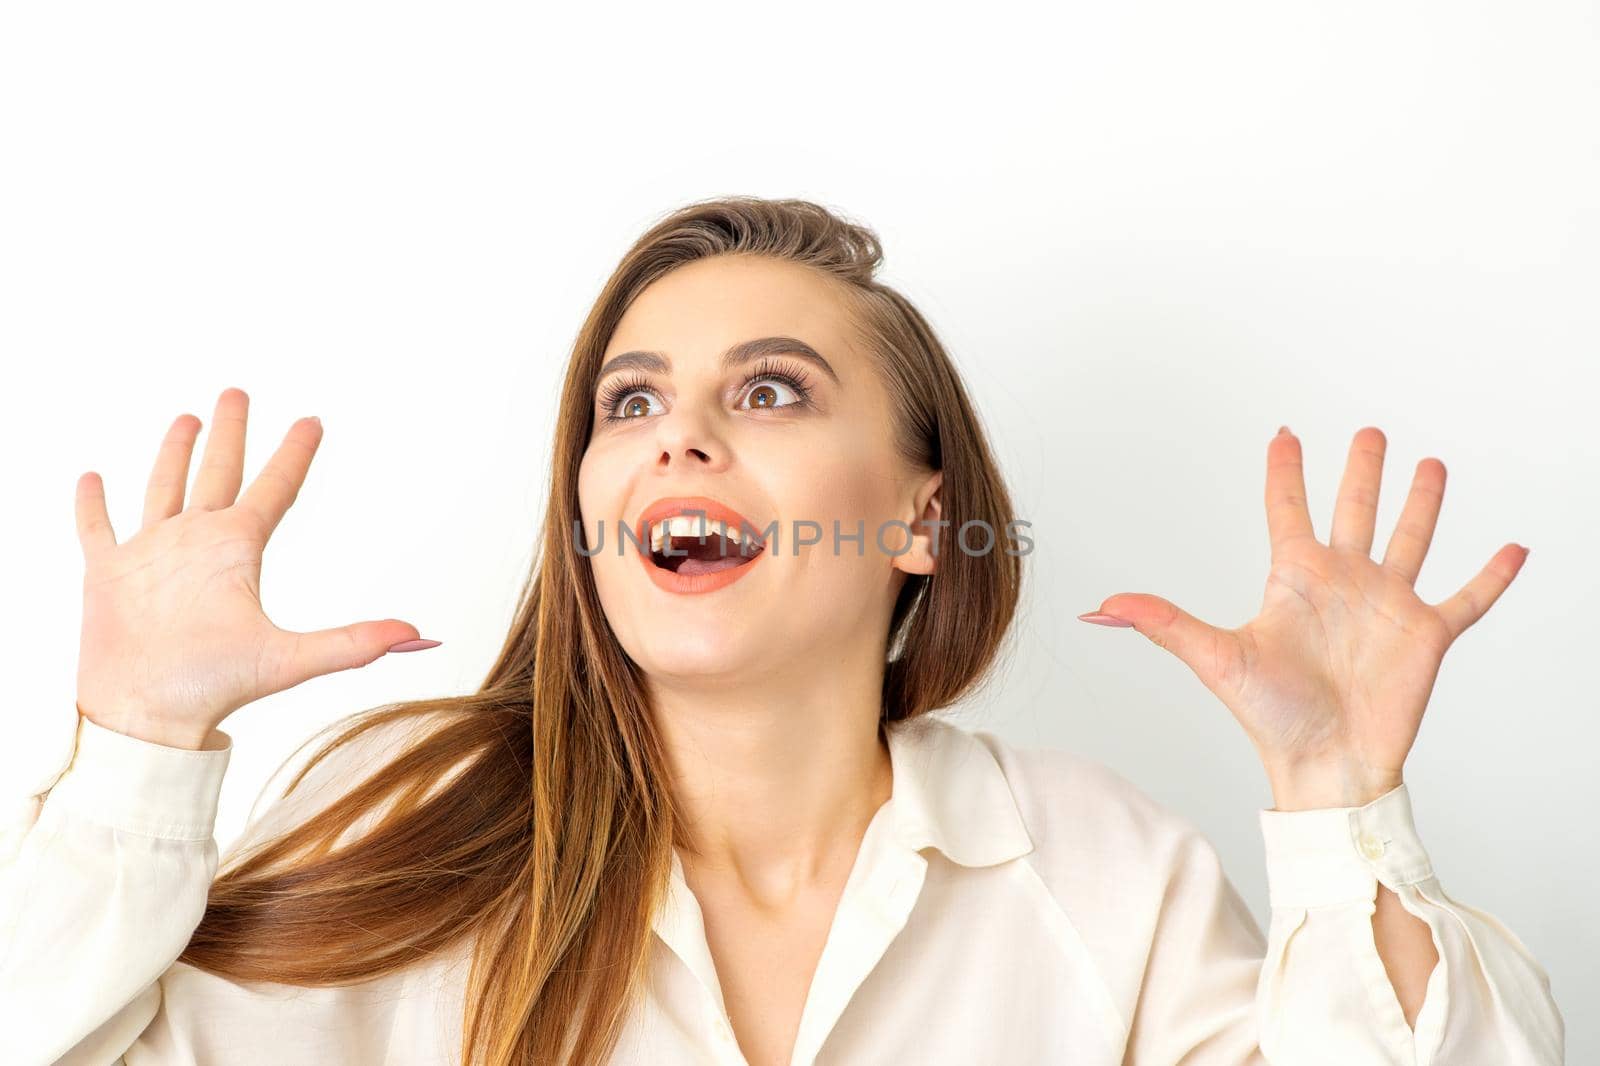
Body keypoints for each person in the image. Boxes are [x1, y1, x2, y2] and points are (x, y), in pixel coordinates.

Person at [0, 198, 1563, 1066]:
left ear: (914, 519)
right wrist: (135, 746)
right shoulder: (413, 820)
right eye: (630, 402)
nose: (676, 438)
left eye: (768, 391)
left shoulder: (1101, 872)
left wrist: (1338, 800)